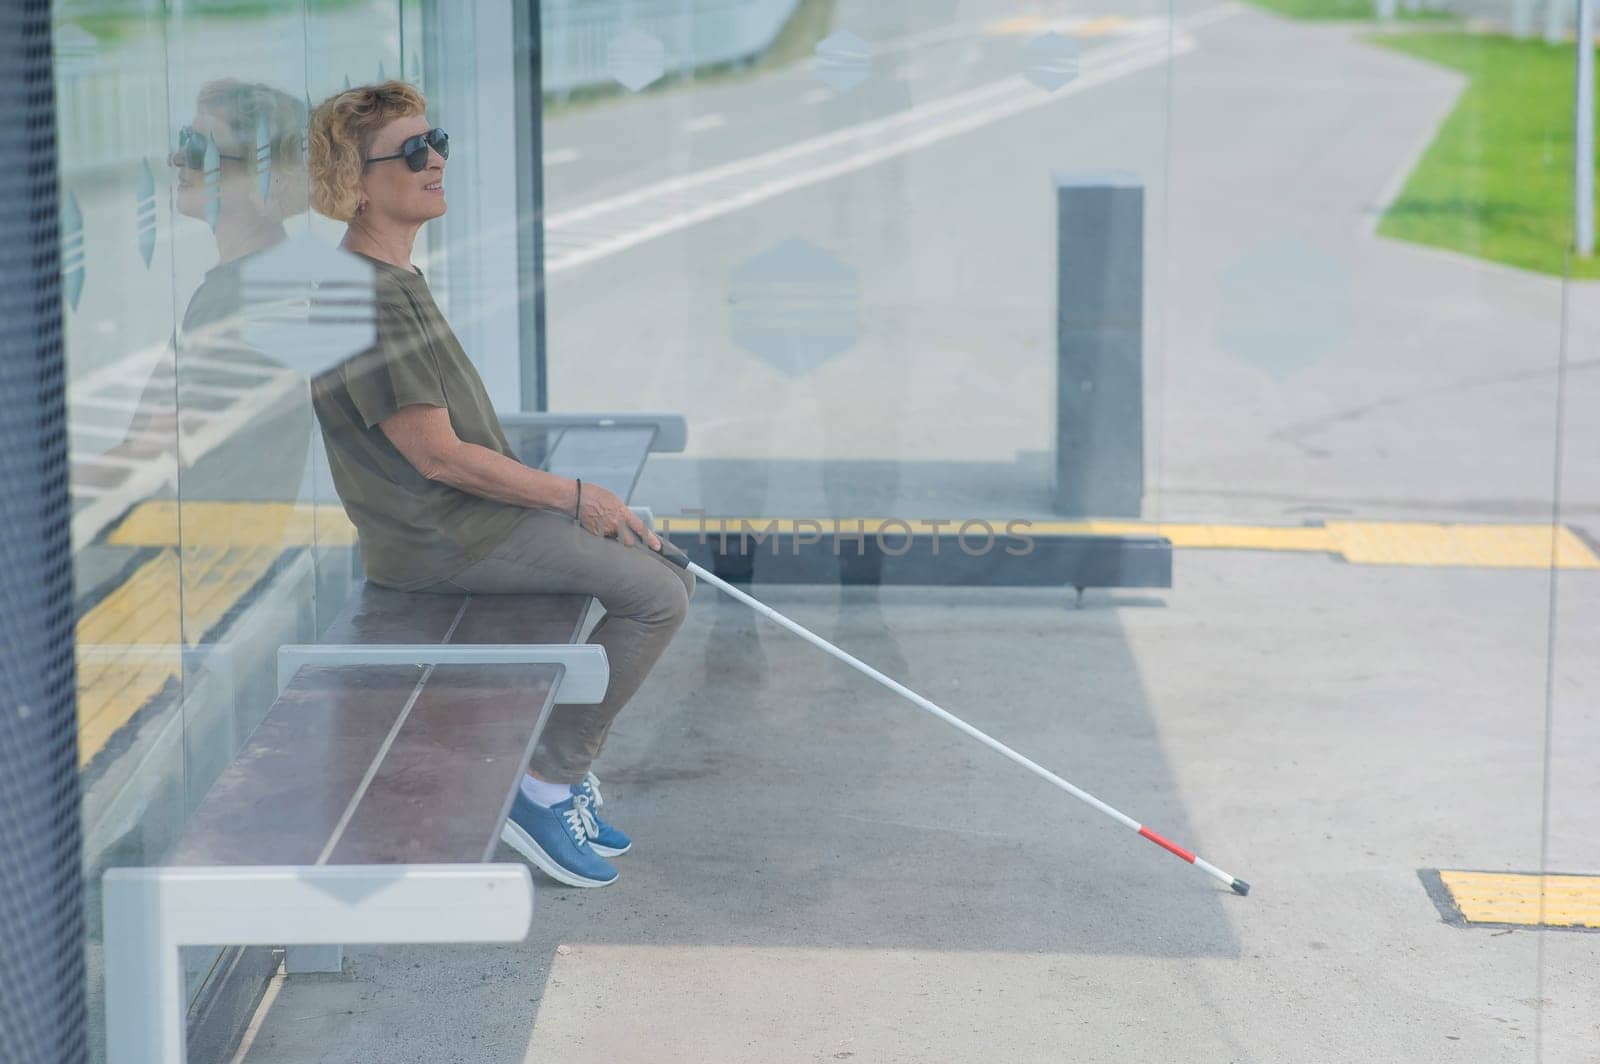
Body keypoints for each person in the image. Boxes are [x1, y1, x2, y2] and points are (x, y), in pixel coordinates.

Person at [306, 81, 695, 888]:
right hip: (446, 536)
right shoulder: (365, 298)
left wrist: (574, 501)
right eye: (413, 151)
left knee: (664, 568)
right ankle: (543, 784)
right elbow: (438, 457)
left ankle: (556, 773)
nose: (436, 159)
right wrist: (573, 496)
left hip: (465, 521)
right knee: (657, 597)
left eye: (436, 138)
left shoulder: (391, 280)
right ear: (356, 179)